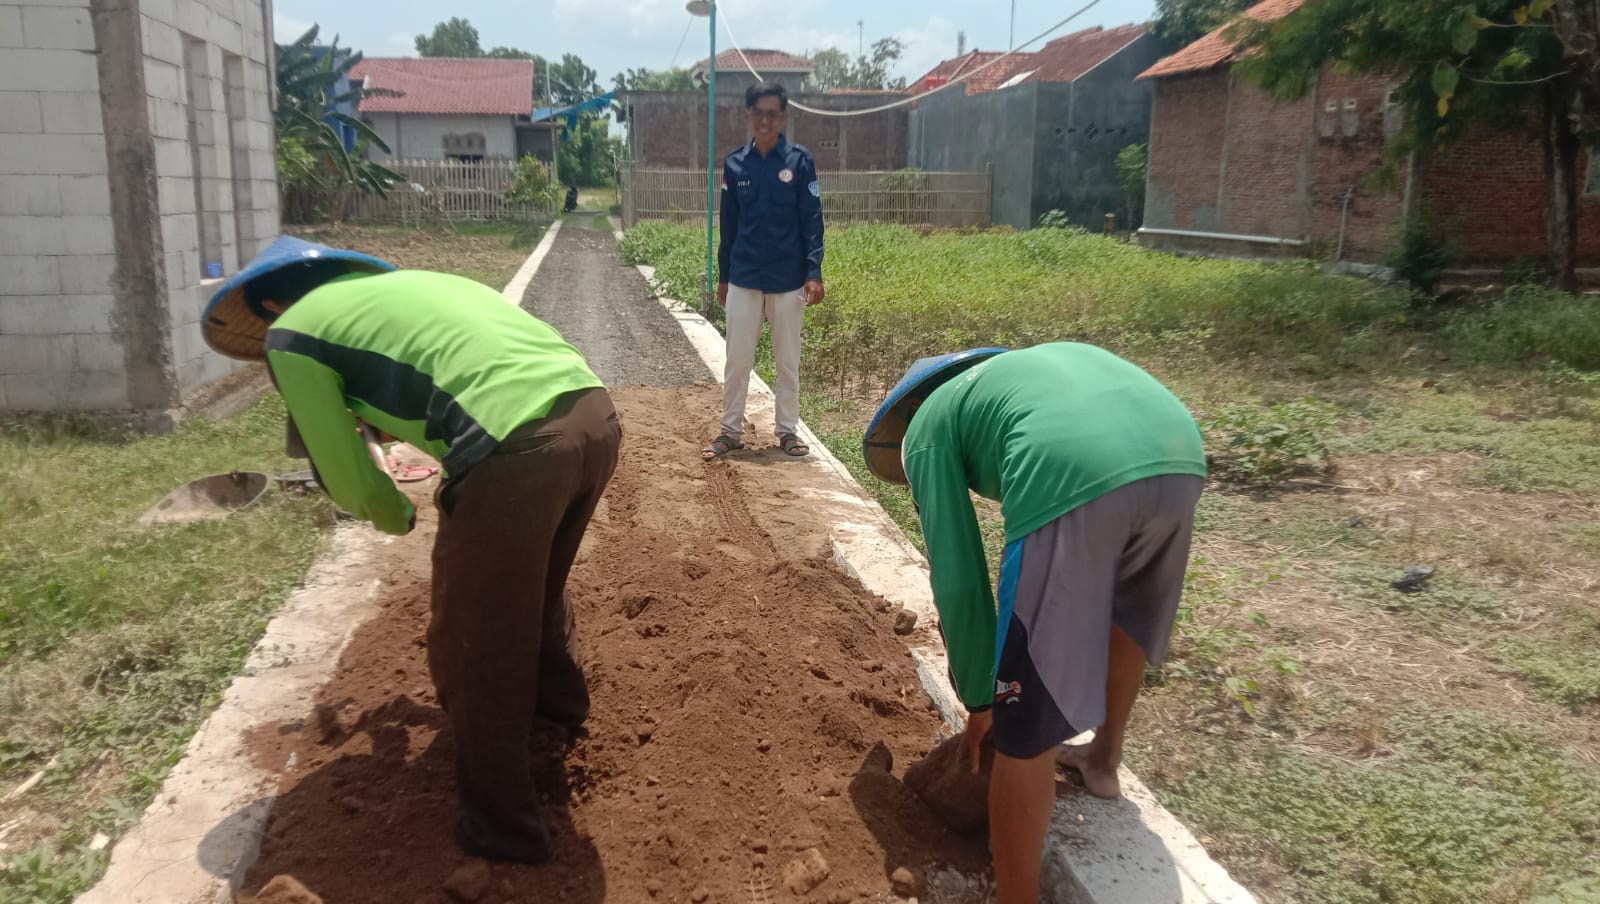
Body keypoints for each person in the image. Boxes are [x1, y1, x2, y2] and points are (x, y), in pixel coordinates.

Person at [202, 236, 622, 864]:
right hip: (594, 417)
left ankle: (503, 828)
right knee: (531, 592)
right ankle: (559, 712)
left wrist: (395, 512)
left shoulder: (290, 334)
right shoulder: (412, 293)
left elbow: (347, 479)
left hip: (517, 447)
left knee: (474, 638)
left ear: (268, 303)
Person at [862, 342, 1207, 904]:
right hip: (1179, 454)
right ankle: (1103, 760)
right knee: (1125, 620)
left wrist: (981, 699)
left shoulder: (924, 428)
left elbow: (958, 575)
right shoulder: (1017, 378)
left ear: (901, 415)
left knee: (1024, 725)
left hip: (1076, 466)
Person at [702, 80, 826, 462]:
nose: (765, 120)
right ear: (748, 115)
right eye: (758, 113)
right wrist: (724, 276)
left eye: (773, 113)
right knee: (738, 359)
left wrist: (813, 270)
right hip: (744, 276)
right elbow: (729, 225)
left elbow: (812, 220)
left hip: (788, 279)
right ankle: (730, 432)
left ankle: (788, 432)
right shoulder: (736, 163)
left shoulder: (799, 162)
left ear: (784, 116)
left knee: (787, 360)